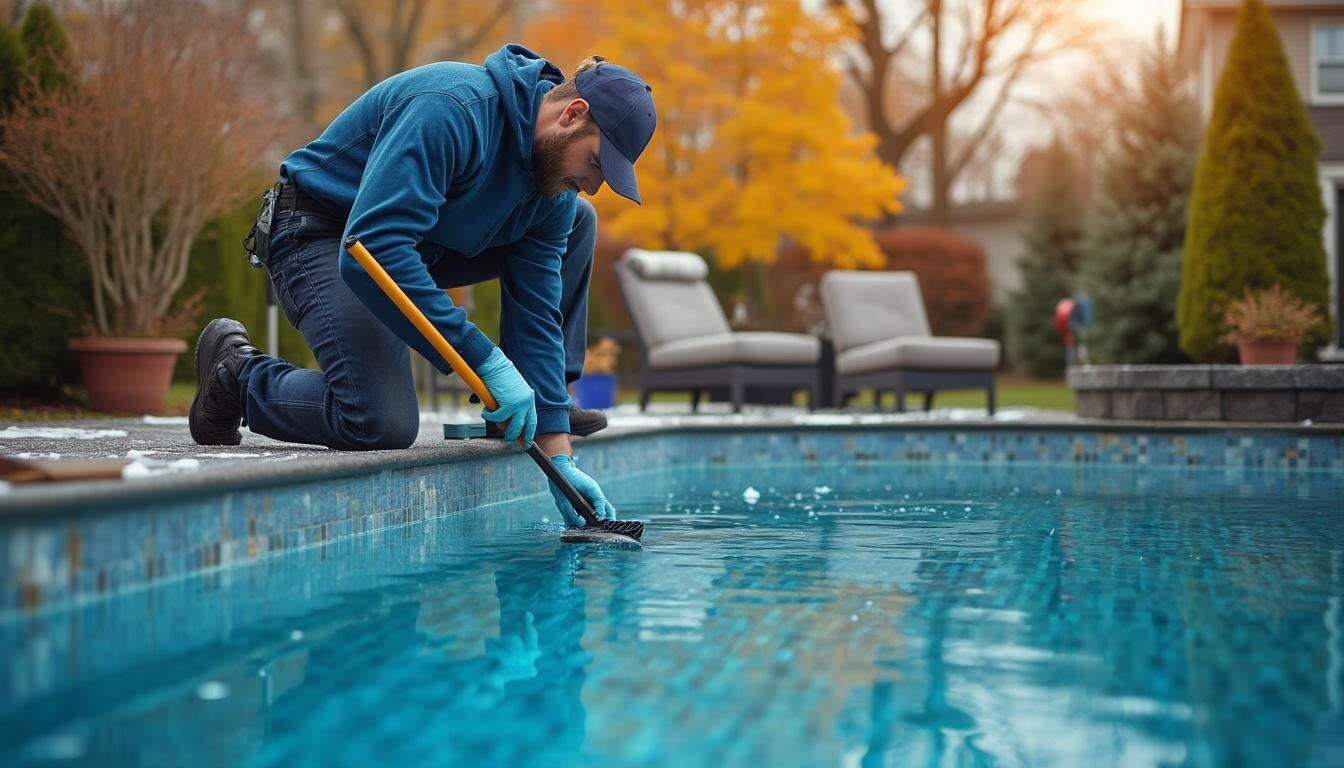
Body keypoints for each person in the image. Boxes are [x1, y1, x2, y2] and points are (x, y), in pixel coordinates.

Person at [187, 45, 655, 528]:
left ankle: (533, 404)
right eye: (598, 163)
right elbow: (374, 246)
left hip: (414, 244)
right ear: (573, 115)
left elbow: (536, 310)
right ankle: (237, 376)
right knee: (378, 421)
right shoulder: (452, 108)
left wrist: (559, 456)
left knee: (580, 218)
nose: (595, 182)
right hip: (320, 228)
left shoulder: (552, 188)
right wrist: (483, 358)